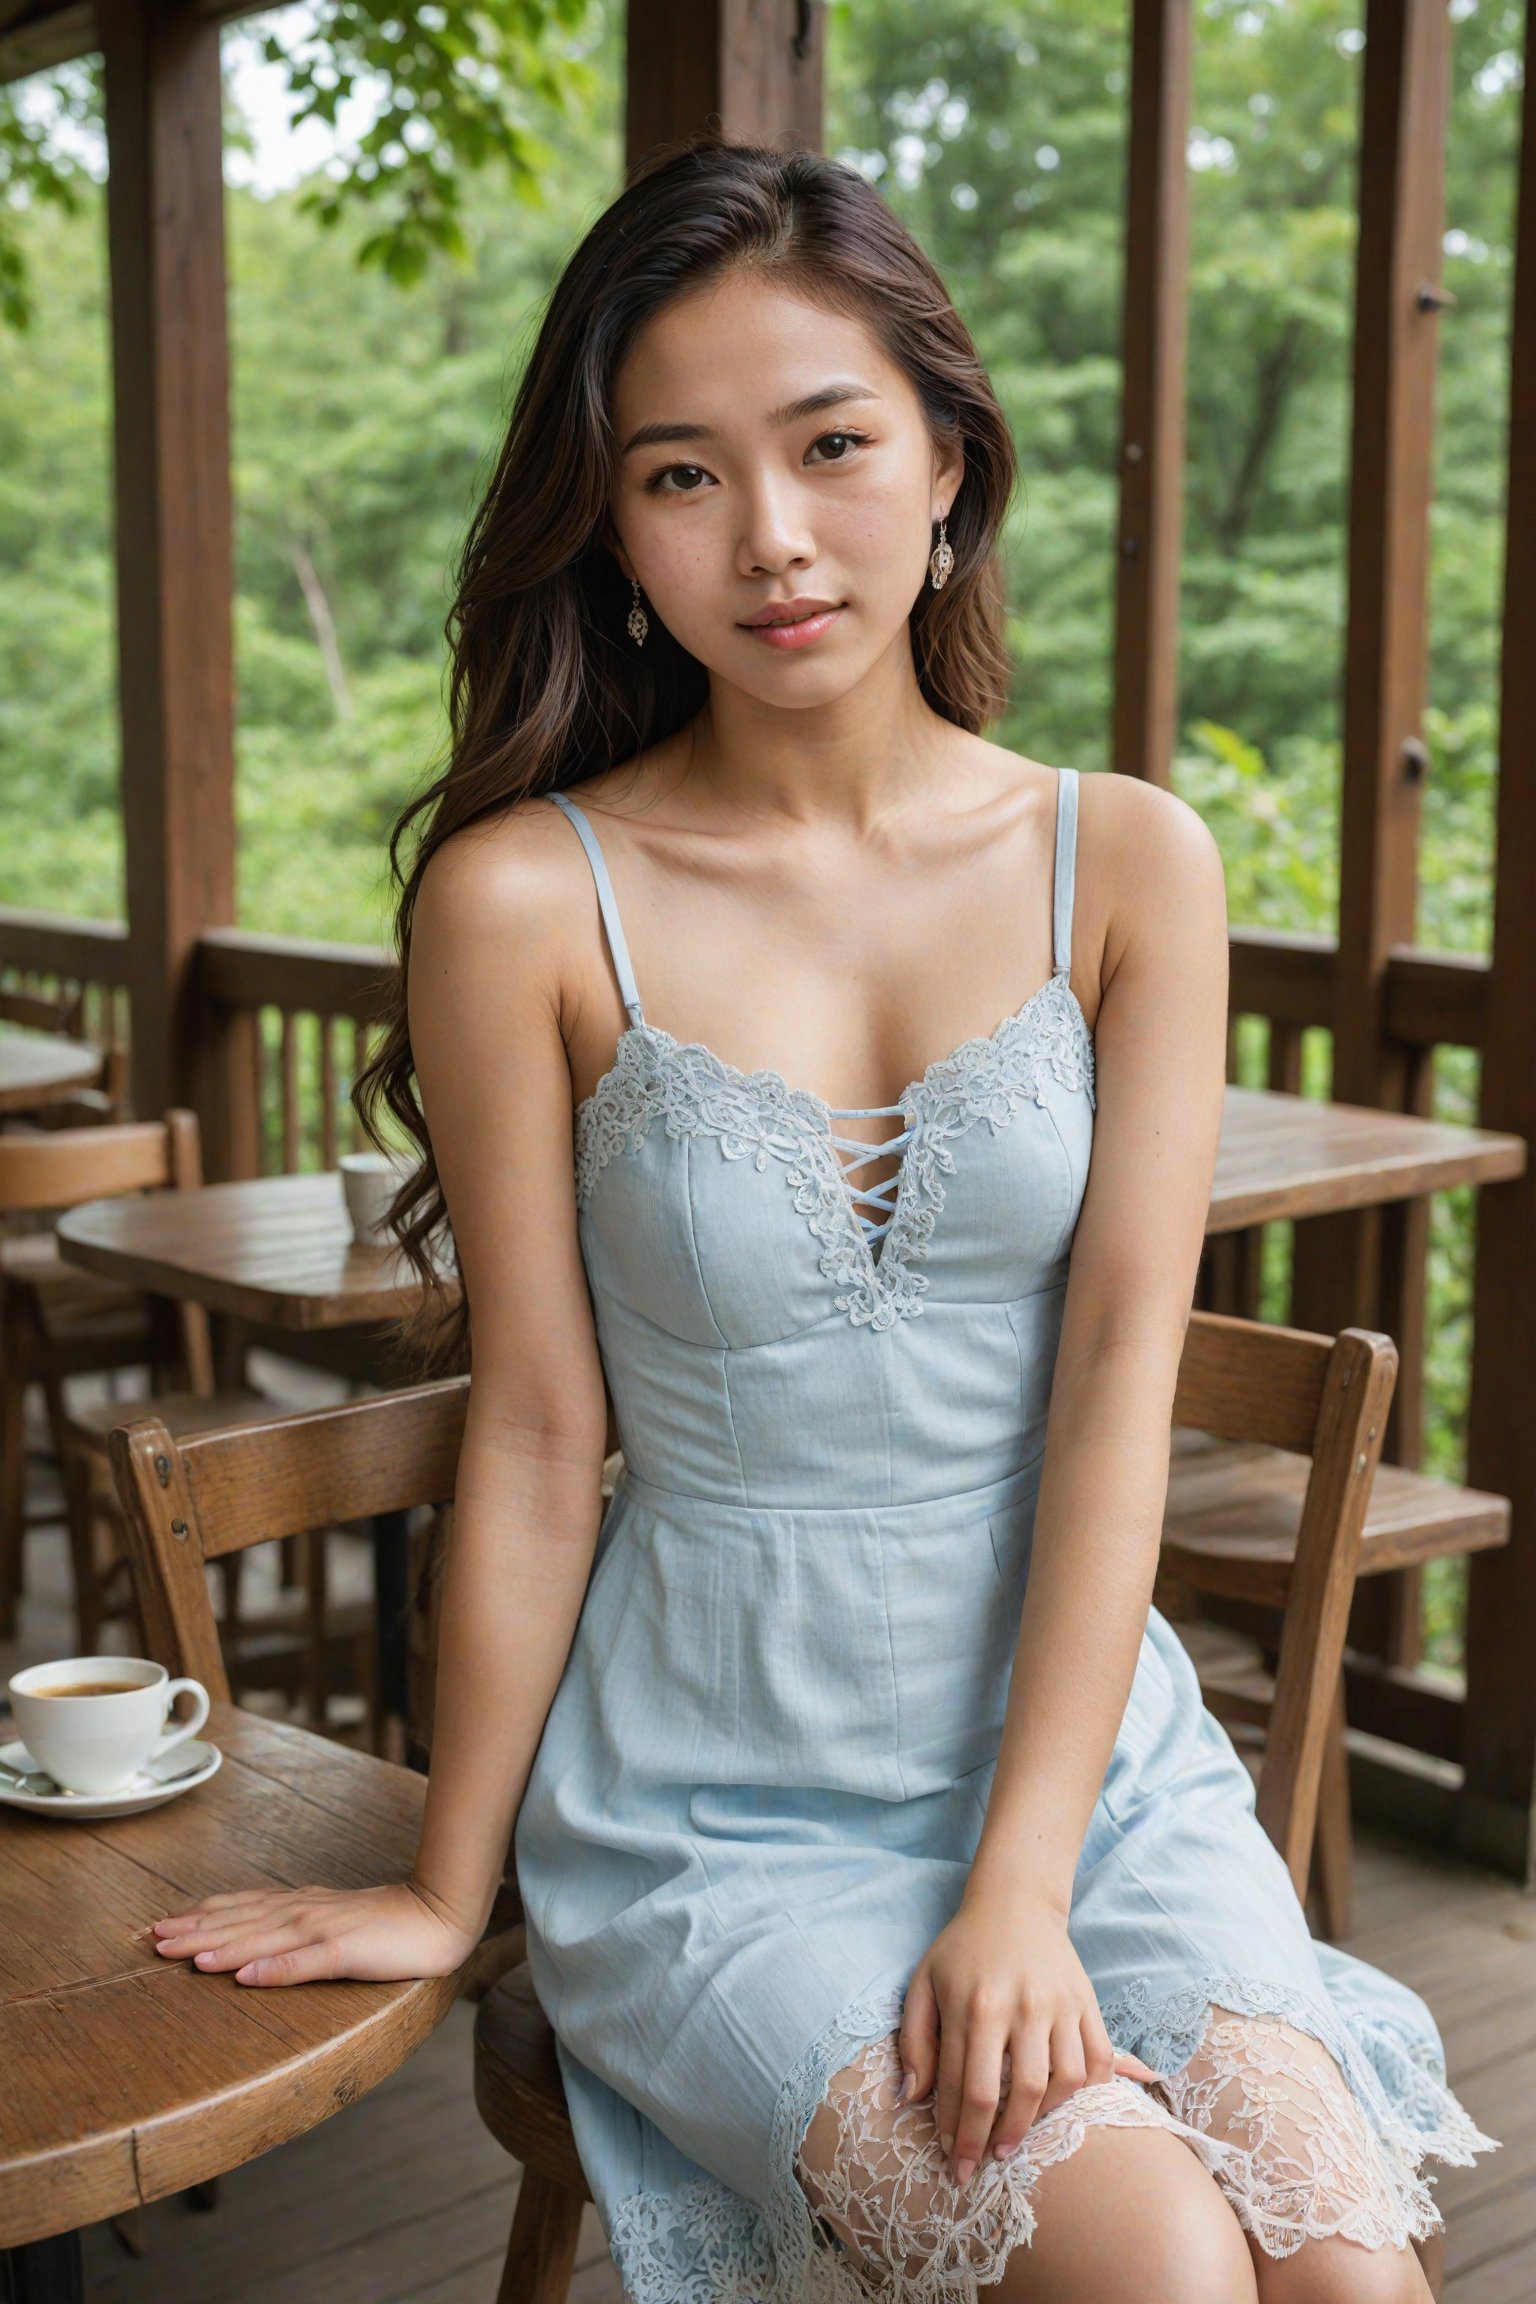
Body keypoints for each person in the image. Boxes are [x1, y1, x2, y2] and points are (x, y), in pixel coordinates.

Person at [152, 141, 1495, 2304]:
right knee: (1145, 2261)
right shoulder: (522, 900)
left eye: (834, 446)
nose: (772, 538)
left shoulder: (1128, 862)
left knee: (1349, 2276)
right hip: (720, 1796)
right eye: (681, 475)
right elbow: (527, 1437)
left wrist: (1026, 1880)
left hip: (1091, 1772)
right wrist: (442, 1874)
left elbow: (1113, 1397)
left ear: (949, 464)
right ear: (610, 524)